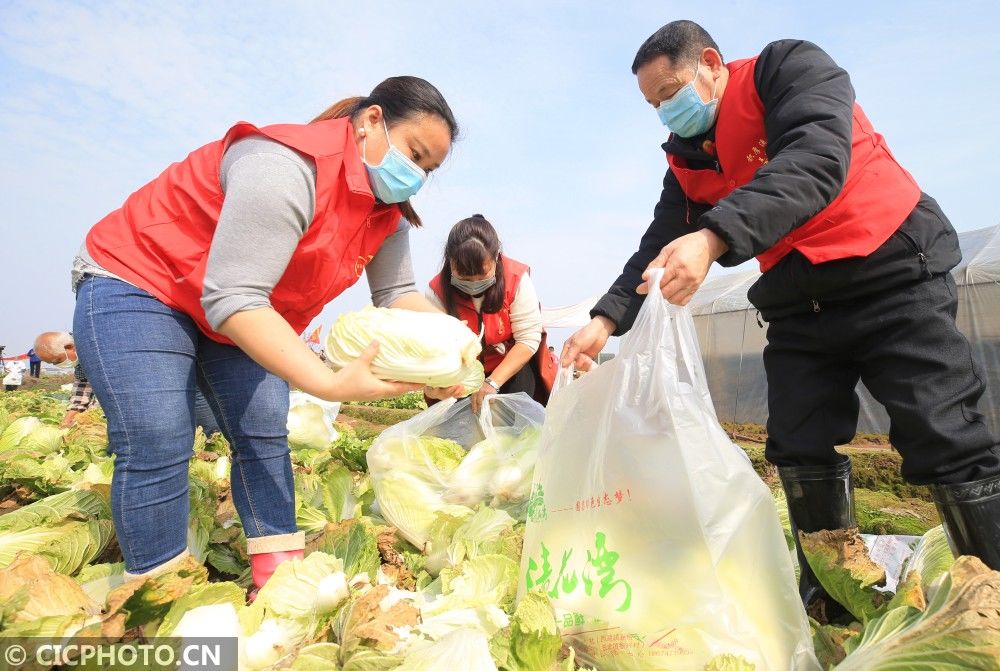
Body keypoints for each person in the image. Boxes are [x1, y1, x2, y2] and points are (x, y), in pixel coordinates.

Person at [562, 20, 1000, 615]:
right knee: (798, 444)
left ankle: (990, 597)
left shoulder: (788, 71)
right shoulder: (689, 158)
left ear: (711, 63)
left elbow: (817, 158)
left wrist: (716, 237)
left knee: (945, 432)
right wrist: (607, 319)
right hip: (801, 302)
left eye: (671, 94)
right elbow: (663, 237)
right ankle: (830, 601)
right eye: (654, 105)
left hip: (891, 270)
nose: (666, 112)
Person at [70, 76, 463, 592]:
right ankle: (155, 602)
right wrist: (326, 382)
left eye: (427, 169)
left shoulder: (385, 214)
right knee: (158, 438)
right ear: (370, 120)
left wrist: (454, 351)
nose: (414, 175)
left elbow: (398, 294)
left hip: (232, 309)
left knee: (261, 432)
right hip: (143, 282)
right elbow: (234, 296)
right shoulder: (285, 167)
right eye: (413, 154)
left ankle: (277, 583)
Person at [427, 214, 558, 413]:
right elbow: (432, 346)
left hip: (512, 368)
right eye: (464, 276)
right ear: (449, 261)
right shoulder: (436, 292)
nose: (473, 283)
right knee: (462, 430)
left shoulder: (516, 279)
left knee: (514, 426)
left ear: (496, 257)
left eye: (482, 275)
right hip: (461, 373)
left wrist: (493, 383)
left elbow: (528, 339)